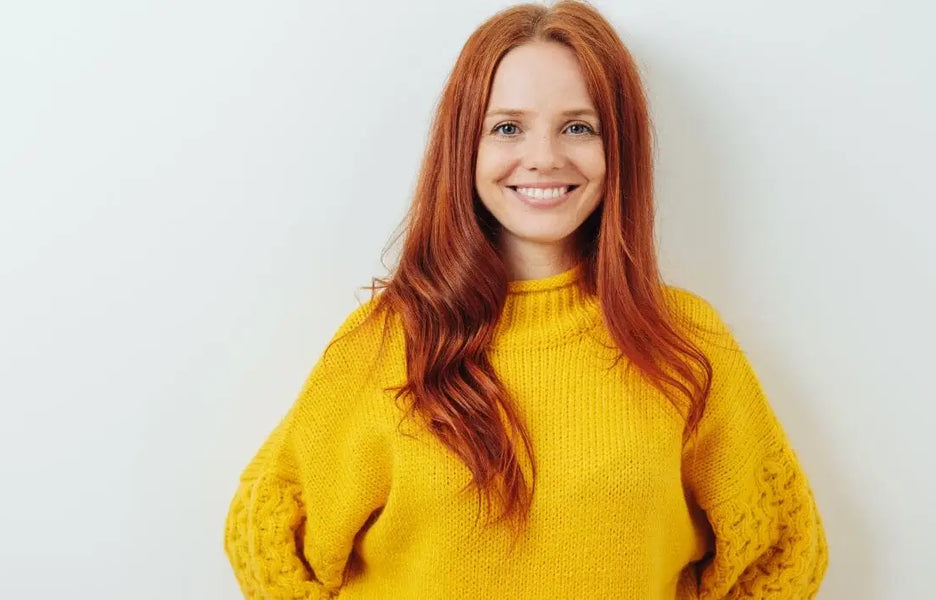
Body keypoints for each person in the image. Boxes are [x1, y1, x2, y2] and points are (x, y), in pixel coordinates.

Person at [221, 1, 829, 598]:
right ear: (465, 146)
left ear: (619, 148)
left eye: (579, 127)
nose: (543, 157)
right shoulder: (386, 339)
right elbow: (269, 538)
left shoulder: (683, 339)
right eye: (507, 126)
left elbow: (780, 554)